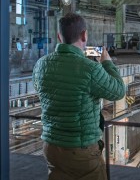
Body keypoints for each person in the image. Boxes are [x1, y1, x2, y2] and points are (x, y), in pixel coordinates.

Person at [32, 12, 125, 180]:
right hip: (80, 149)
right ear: (84, 35)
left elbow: (40, 89)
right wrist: (107, 63)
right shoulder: (90, 69)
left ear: (59, 37)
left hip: (51, 147)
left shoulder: (40, 65)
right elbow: (118, 91)